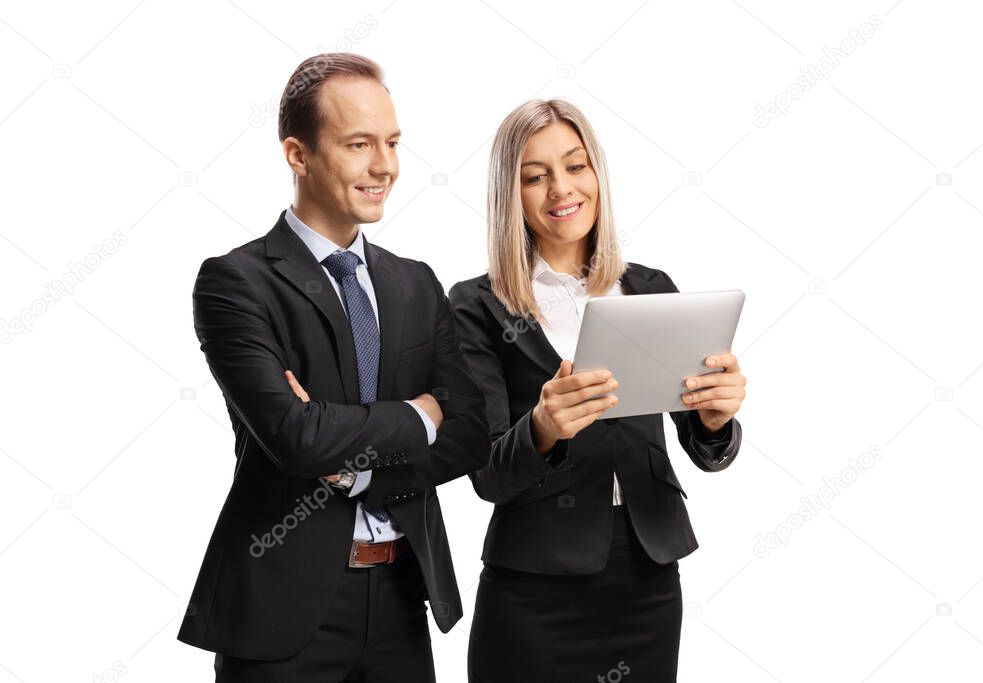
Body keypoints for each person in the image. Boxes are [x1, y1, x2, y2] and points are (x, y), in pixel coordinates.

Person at [177, 53, 489, 682]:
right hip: (281, 611)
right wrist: (417, 413)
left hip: (402, 597)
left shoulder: (416, 283)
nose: (386, 166)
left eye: (393, 142)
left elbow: (471, 432)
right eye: (358, 144)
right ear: (298, 154)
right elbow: (297, 439)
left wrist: (353, 471)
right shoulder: (236, 283)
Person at [449, 99, 747, 682]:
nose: (561, 188)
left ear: (597, 173)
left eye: (575, 166)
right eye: (535, 176)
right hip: (535, 585)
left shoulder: (650, 288)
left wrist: (716, 419)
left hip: (646, 575)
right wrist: (542, 428)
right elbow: (486, 474)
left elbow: (705, 448)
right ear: (511, 194)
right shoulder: (475, 306)